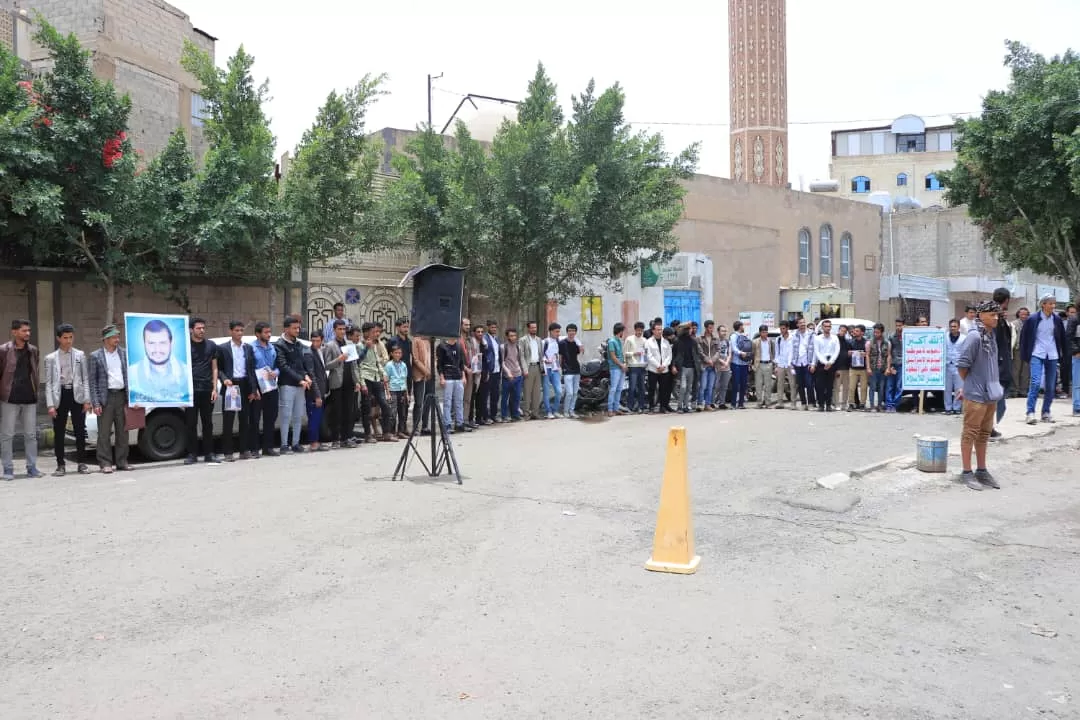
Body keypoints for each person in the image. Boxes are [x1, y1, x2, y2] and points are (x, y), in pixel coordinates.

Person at [957, 300, 1005, 491]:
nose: (995, 317)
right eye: (991, 314)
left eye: (997, 314)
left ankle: (982, 470)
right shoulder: (975, 337)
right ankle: (966, 472)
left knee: (984, 434)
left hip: (990, 394)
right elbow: (962, 366)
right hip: (975, 394)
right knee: (970, 432)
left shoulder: (991, 335)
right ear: (981, 315)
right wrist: (970, 384)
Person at [45, 323, 91, 476]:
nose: (69, 341)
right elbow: (49, 383)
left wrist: (87, 400)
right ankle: (60, 464)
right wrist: (50, 405)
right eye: (65, 338)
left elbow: (85, 378)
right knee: (59, 431)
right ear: (59, 338)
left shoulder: (80, 355)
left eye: (71, 337)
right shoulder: (51, 358)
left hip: (76, 394)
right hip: (60, 395)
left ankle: (82, 463)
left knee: (79, 430)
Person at [1, 319, 42, 480]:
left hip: (29, 398)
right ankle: (8, 469)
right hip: (9, 398)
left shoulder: (33, 350)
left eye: (28, 331)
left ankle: (31, 468)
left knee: (31, 435)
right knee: (7, 435)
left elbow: (35, 371)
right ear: (14, 332)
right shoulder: (3, 350)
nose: (28, 333)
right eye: (24, 331)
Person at [88, 324, 129, 473]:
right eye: (113, 337)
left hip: (122, 395)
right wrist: (95, 402)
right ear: (105, 339)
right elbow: (92, 381)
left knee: (123, 431)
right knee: (104, 432)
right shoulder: (95, 356)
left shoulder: (123, 353)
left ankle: (122, 461)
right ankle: (105, 462)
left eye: (118, 336)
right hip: (106, 398)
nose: (117, 339)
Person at [1020, 293, 1066, 424]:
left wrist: (1064, 354)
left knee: (1051, 385)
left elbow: (1062, 338)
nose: (1053, 306)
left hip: (1052, 354)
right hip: (1037, 353)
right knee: (1035, 383)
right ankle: (1030, 412)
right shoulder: (1033, 319)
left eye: (1054, 303)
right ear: (1043, 304)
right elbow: (1024, 337)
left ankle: (1046, 412)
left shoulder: (1056, 319)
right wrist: (1025, 355)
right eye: (1050, 303)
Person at [218, 320, 257, 461]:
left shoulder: (247, 348)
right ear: (230, 331)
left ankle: (244, 450)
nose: (240, 333)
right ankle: (228, 452)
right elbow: (219, 369)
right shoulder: (223, 348)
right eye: (237, 330)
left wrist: (253, 389)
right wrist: (224, 379)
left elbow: (251, 370)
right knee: (228, 420)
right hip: (230, 385)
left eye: (241, 330)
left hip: (244, 384)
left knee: (244, 420)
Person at [184, 317, 220, 465]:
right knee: (191, 423)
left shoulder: (211, 345)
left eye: (203, 328)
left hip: (207, 389)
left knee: (208, 423)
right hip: (191, 391)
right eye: (199, 328)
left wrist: (214, 388)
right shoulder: (185, 346)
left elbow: (215, 367)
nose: (202, 331)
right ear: (191, 329)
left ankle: (209, 453)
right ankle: (192, 454)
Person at [128, 318, 189, 404]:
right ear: (144, 344)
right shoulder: (132, 374)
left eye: (162, 343)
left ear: (171, 343)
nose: (157, 349)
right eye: (151, 343)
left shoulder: (187, 373)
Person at [274, 317, 311, 453]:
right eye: (294, 328)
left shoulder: (298, 344)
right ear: (286, 329)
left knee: (298, 415)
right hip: (287, 385)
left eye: (298, 328)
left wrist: (306, 376)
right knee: (286, 415)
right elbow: (284, 366)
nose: (297, 330)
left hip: (300, 385)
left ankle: (296, 443)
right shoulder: (279, 345)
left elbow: (301, 364)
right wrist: (300, 379)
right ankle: (284, 445)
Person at [323, 319, 359, 448]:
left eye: (344, 329)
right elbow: (326, 366)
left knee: (349, 412)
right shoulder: (330, 345)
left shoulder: (349, 344)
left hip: (349, 382)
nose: (342, 332)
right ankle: (335, 439)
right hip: (337, 382)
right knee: (337, 412)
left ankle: (346, 437)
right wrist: (338, 359)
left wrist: (357, 381)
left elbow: (354, 364)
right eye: (339, 329)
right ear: (334, 330)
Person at [357, 323, 394, 442]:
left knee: (385, 404)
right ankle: (368, 434)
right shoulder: (359, 345)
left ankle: (387, 433)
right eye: (373, 332)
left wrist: (384, 374)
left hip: (376, 377)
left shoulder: (374, 345)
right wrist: (362, 383)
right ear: (366, 333)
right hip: (366, 378)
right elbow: (358, 364)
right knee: (366, 407)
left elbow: (378, 362)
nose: (375, 335)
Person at [248, 322, 280, 457]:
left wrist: (276, 372)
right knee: (255, 419)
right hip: (258, 388)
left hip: (271, 386)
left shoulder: (272, 348)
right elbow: (249, 369)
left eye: (269, 332)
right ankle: (254, 448)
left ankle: (268, 447)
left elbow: (278, 365)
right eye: (266, 332)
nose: (269, 334)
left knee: (270, 418)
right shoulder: (251, 348)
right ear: (258, 334)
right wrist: (253, 389)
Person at [437, 334, 469, 433]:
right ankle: (447, 424)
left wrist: (463, 376)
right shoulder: (442, 346)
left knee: (459, 401)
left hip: (458, 376)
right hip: (448, 376)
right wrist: (442, 377)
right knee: (447, 402)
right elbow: (439, 364)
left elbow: (461, 363)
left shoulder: (459, 346)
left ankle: (459, 423)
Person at [304, 331, 328, 451]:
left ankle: (317, 441)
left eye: (317, 340)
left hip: (322, 390)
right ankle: (313, 442)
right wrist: (317, 395)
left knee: (318, 418)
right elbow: (312, 375)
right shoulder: (309, 353)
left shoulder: (321, 351)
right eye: (313, 340)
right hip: (313, 392)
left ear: (322, 340)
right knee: (314, 418)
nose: (315, 343)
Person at [812, 319, 840, 412]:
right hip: (821, 363)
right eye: (826, 326)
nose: (827, 328)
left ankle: (828, 405)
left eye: (829, 326)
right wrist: (824, 362)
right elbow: (817, 352)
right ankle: (821, 405)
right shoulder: (817, 338)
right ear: (822, 327)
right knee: (820, 385)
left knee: (829, 386)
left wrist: (830, 362)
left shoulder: (835, 338)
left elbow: (837, 351)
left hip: (831, 363)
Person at [645, 324, 674, 413]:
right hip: (653, 369)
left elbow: (669, 355)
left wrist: (664, 365)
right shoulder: (648, 342)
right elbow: (649, 356)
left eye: (661, 330)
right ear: (653, 331)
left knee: (663, 389)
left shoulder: (666, 342)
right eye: (657, 330)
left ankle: (662, 407)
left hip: (664, 369)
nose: (659, 331)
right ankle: (651, 407)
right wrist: (658, 365)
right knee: (652, 389)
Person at [386, 344, 411, 439]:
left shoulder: (403, 365)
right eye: (396, 353)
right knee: (393, 412)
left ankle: (400, 431)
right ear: (391, 354)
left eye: (399, 353)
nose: (398, 355)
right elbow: (386, 380)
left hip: (402, 390)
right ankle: (391, 432)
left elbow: (404, 379)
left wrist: (407, 393)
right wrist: (387, 393)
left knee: (402, 412)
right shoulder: (389, 365)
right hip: (393, 390)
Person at [411, 332, 433, 434]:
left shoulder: (429, 340)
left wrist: (431, 371)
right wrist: (425, 371)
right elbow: (415, 359)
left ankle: (425, 426)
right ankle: (416, 427)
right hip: (420, 375)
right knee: (419, 402)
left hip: (429, 376)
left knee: (427, 401)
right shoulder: (416, 340)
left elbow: (433, 357)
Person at [624, 321, 648, 413]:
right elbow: (625, 353)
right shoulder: (629, 339)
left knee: (642, 387)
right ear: (635, 330)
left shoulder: (645, 340)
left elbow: (646, 353)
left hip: (642, 366)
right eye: (638, 330)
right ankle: (630, 405)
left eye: (641, 330)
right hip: (633, 366)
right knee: (632, 387)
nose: (639, 332)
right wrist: (634, 353)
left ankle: (641, 406)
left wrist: (646, 363)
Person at [559, 323, 583, 418]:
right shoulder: (562, 343)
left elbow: (580, 352)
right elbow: (560, 356)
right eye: (569, 330)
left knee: (575, 392)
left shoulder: (577, 343)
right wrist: (561, 368)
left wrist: (581, 348)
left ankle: (571, 411)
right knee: (569, 392)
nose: (571, 332)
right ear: (567, 332)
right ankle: (565, 411)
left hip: (576, 369)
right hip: (567, 369)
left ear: (575, 332)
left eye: (573, 331)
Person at [541, 322, 564, 419]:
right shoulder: (544, 342)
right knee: (546, 391)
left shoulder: (559, 341)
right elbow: (540, 355)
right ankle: (548, 411)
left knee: (559, 391)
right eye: (556, 331)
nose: (558, 333)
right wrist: (546, 360)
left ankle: (555, 410)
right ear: (550, 331)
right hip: (546, 369)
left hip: (555, 369)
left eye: (559, 331)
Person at [500, 328, 524, 421]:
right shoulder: (503, 347)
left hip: (518, 375)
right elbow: (502, 362)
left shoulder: (518, 346)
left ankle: (515, 414)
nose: (513, 337)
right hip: (507, 376)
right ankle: (504, 415)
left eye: (514, 335)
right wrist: (508, 372)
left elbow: (519, 360)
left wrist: (521, 371)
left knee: (516, 396)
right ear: (507, 336)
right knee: (505, 397)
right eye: (511, 336)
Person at [750, 324, 776, 409]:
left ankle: (768, 403)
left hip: (768, 364)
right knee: (758, 385)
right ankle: (759, 403)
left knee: (768, 385)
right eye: (763, 332)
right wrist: (752, 365)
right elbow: (752, 354)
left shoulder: (770, 341)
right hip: (758, 365)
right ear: (760, 332)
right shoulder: (755, 342)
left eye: (766, 332)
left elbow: (773, 353)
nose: (764, 334)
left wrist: (773, 364)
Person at [606, 323, 628, 417]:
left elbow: (621, 354)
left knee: (619, 389)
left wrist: (624, 364)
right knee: (613, 389)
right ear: (620, 331)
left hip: (621, 367)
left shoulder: (619, 341)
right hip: (615, 368)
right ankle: (610, 409)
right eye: (623, 331)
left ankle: (616, 408)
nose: (623, 332)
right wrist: (621, 365)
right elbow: (613, 356)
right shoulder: (612, 341)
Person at [867, 323, 889, 412]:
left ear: (882, 332)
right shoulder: (869, 342)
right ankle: (872, 406)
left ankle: (879, 405)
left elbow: (889, 356)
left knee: (881, 388)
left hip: (882, 369)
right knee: (872, 387)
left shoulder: (887, 343)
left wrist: (888, 368)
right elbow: (867, 355)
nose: (876, 334)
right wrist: (868, 368)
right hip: (873, 368)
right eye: (875, 332)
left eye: (878, 332)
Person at [944, 319, 964, 416]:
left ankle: (957, 408)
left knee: (958, 388)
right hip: (947, 365)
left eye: (954, 326)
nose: (952, 328)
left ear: (958, 327)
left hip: (958, 366)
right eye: (951, 326)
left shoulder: (964, 338)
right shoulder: (944, 336)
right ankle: (948, 408)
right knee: (947, 389)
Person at [730, 320, 752, 409]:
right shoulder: (733, 336)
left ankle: (741, 403)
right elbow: (734, 348)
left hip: (745, 363)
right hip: (736, 363)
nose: (743, 328)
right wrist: (741, 353)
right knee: (735, 383)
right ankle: (733, 404)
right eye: (742, 326)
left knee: (743, 383)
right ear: (739, 327)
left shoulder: (744, 336)